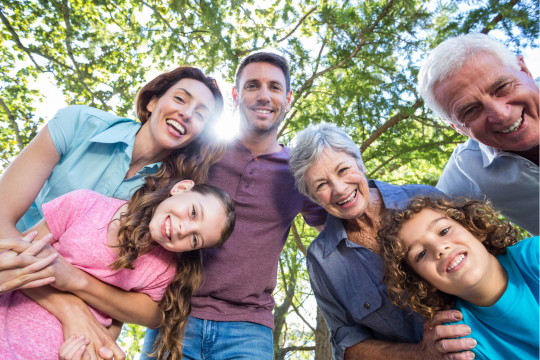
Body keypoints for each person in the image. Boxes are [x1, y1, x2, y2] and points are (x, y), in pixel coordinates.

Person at [0, 66, 224, 359]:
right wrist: (69, 307)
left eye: (201, 115)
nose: (187, 113)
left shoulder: (163, 209)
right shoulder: (78, 123)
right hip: (12, 265)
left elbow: (128, 291)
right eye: (181, 99)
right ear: (152, 101)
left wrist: (99, 335)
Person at [139, 51, 327, 359]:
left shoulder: (300, 171)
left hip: (249, 326)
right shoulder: (200, 149)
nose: (264, 95)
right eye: (253, 85)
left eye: (275, 87)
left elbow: (338, 230)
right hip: (174, 312)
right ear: (237, 95)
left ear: (288, 98)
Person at [288, 123, 477, 360]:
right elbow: (347, 344)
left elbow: (493, 258)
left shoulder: (425, 198)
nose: (339, 188)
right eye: (321, 185)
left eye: (343, 169)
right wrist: (421, 354)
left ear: (360, 164)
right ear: (313, 197)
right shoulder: (322, 260)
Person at [0, 179, 235, 360]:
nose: (185, 229)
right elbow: (11, 259)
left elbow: (115, 324)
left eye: (195, 239)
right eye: (193, 212)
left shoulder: (164, 272)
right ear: (181, 188)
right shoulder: (84, 204)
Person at [379, 196, 539, 360]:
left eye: (444, 231)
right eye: (421, 254)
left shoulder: (535, 255)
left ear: (474, 229)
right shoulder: (459, 341)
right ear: (425, 283)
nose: (439, 248)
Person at [417, 33, 539, 236]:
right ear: (456, 127)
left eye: (502, 87)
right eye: (470, 110)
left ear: (525, 71)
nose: (501, 114)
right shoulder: (466, 168)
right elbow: (419, 227)